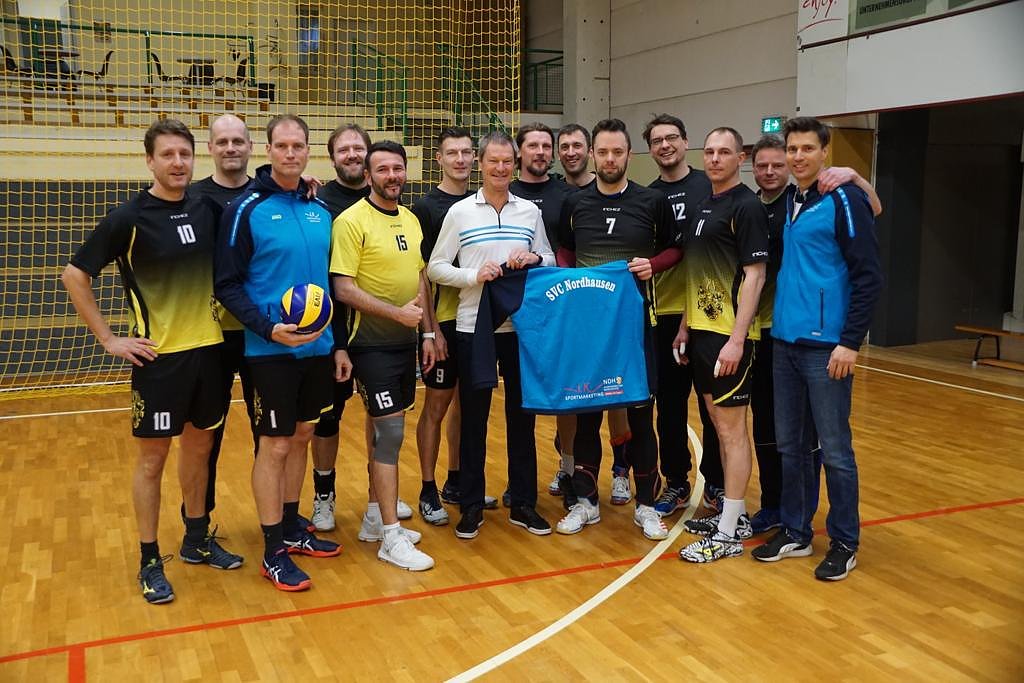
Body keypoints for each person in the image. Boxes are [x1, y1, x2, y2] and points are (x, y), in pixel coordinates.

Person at [62, 119, 243, 605]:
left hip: (210, 353)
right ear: (150, 161)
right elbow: (75, 275)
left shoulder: (206, 208)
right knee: (152, 460)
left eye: (184, 154)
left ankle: (196, 539)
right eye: (167, 155)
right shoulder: (129, 218)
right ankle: (148, 559)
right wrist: (109, 339)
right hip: (159, 360)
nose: (178, 163)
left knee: (200, 450)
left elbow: (251, 197)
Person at [751, 117, 882, 581]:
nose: (798, 156)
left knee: (836, 450)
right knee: (792, 446)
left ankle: (844, 541)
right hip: (785, 343)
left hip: (827, 348)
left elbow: (869, 276)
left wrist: (850, 342)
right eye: (793, 149)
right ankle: (796, 530)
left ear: (825, 152)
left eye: (808, 148)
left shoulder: (844, 198)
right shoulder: (791, 200)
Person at [216, 114, 340, 592]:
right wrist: (269, 328)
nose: (291, 153)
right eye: (282, 146)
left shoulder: (319, 208)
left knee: (304, 434)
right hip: (269, 349)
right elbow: (226, 284)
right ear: (267, 150)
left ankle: (291, 528)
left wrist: (336, 344)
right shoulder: (245, 208)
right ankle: (272, 551)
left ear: (308, 151)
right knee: (276, 444)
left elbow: (329, 282)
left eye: (298, 146)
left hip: (319, 345)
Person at [554, 118, 680, 541]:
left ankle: (646, 507)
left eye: (618, 152)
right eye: (603, 152)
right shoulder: (575, 203)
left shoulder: (652, 201)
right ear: (593, 155)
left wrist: (652, 265)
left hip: (636, 328)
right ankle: (587, 502)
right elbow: (565, 249)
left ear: (629, 155)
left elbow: (675, 249)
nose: (610, 159)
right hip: (589, 329)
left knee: (642, 417)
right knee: (587, 415)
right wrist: (571, 279)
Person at [427, 130, 555, 540]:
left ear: (515, 165)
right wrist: (473, 275)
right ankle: (470, 506)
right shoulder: (460, 212)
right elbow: (435, 267)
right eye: (493, 161)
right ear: (480, 164)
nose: (500, 168)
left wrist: (533, 257)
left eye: (507, 162)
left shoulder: (529, 212)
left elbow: (549, 258)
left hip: (520, 329)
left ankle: (524, 503)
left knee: (522, 417)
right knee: (474, 419)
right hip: (472, 327)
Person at [332, 140, 435, 571]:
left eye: (397, 168)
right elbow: (343, 288)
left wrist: (426, 331)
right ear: (368, 175)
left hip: (405, 344)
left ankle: (375, 517)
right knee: (390, 435)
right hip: (370, 345)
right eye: (383, 169)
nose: (391, 176)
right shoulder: (350, 221)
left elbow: (419, 278)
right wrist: (397, 314)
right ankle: (391, 537)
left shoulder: (410, 219)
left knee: (386, 433)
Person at [676, 126, 768, 564]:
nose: (715, 158)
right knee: (717, 424)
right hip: (701, 332)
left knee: (732, 431)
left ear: (740, 158)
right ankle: (735, 514)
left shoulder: (746, 207)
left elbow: (755, 276)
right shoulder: (703, 204)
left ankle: (729, 532)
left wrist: (736, 340)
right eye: (710, 151)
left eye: (724, 152)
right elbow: (695, 272)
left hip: (729, 337)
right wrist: (684, 326)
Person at [412, 127, 498, 524]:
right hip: (444, 322)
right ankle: (427, 488)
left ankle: (457, 480)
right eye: (452, 153)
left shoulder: (483, 202)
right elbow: (423, 273)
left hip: (477, 323)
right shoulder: (428, 208)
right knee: (437, 405)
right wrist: (431, 331)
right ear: (439, 159)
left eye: (466, 152)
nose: (460, 159)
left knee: (466, 406)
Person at [641, 113, 721, 519]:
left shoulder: (711, 187)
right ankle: (676, 481)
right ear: (650, 149)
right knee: (670, 407)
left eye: (671, 137)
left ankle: (717, 483)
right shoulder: (648, 197)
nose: (665, 145)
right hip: (667, 315)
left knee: (713, 407)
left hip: (711, 314)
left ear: (686, 142)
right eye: (657, 140)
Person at [509, 122, 584, 507]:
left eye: (545, 146)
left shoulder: (568, 196)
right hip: (514, 312)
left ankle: (569, 470)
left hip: (561, 311)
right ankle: (519, 481)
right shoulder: (504, 194)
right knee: (518, 402)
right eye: (532, 145)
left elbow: (573, 249)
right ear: (519, 152)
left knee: (566, 394)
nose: (540, 152)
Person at [188, 114, 256, 526]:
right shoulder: (191, 198)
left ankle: (275, 522)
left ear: (251, 147)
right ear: (210, 148)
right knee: (205, 437)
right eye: (223, 141)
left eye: (238, 141)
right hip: (208, 335)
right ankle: (198, 525)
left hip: (260, 332)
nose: (231, 148)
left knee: (270, 433)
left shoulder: (266, 194)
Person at [307, 123, 371, 533]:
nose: (352, 154)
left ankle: (381, 496)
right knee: (328, 419)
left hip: (379, 328)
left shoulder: (384, 197)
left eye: (358, 147)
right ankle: (323, 496)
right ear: (332, 158)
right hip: (335, 330)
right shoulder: (317, 202)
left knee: (383, 415)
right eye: (344, 149)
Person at [556, 123, 596, 188]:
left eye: (577, 146)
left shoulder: (606, 187)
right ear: (558, 154)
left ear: (590, 152)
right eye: (565, 147)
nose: (571, 153)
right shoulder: (554, 191)